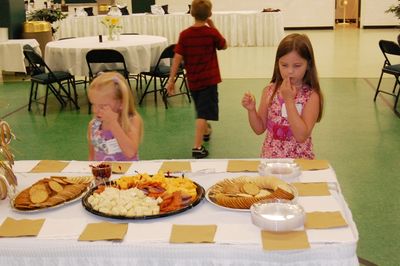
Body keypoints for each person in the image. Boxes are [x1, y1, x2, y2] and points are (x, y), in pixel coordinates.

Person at [241, 33, 323, 159]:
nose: (290, 71)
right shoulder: (269, 91)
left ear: (308, 64)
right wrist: (251, 110)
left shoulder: (311, 96)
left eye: (297, 66)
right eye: (284, 65)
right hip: (270, 162)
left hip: (300, 163)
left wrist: (289, 100)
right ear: (277, 63)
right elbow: (259, 129)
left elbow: (301, 136)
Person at [166, 0, 227, 159]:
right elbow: (224, 45)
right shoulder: (211, 33)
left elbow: (177, 57)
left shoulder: (184, 35)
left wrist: (171, 79)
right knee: (202, 112)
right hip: (209, 80)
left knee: (201, 109)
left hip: (193, 80)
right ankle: (197, 147)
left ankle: (206, 130)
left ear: (192, 13)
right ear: (209, 14)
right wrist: (213, 26)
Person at [88, 72, 143, 161]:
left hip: (129, 174)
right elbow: (91, 158)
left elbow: (130, 152)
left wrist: (113, 124)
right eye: (93, 104)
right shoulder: (94, 126)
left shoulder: (132, 121)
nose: (95, 110)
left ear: (121, 103)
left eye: (102, 106)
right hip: (104, 174)